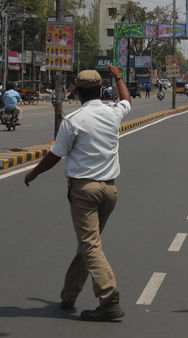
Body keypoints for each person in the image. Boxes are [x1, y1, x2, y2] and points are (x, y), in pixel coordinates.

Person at [24, 64, 131, 322]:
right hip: (110, 190)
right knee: (89, 243)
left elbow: (55, 156)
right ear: (101, 90)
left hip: (84, 191)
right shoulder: (113, 113)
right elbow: (126, 100)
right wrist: (118, 76)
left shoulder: (73, 120)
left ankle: (109, 299)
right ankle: (69, 294)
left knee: (90, 246)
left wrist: (34, 173)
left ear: (77, 92)